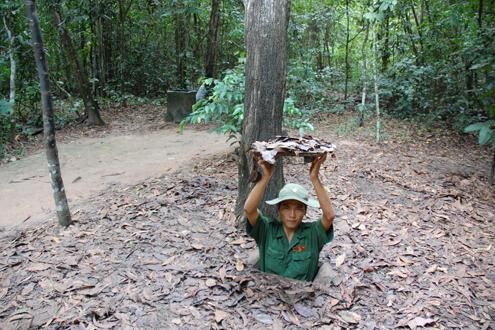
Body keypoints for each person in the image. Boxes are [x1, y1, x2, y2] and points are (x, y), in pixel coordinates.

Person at [244, 153, 335, 282]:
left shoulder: (313, 233)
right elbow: (249, 209)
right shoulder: (266, 229)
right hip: (269, 297)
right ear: (279, 209)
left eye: (298, 208)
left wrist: (314, 177)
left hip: (302, 298)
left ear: (305, 211)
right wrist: (266, 177)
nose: (292, 215)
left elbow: (329, 216)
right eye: (286, 207)